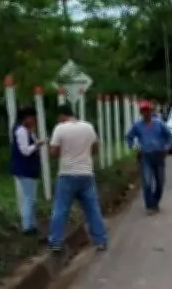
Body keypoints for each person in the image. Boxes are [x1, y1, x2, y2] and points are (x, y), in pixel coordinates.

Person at [47, 104, 108, 252]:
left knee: (61, 209)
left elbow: (53, 152)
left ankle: (56, 241)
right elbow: (95, 149)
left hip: (67, 174)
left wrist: (62, 151)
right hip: (86, 174)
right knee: (92, 209)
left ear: (62, 115)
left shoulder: (60, 129)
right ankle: (100, 240)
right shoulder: (88, 127)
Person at [126, 100, 172, 215]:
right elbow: (129, 138)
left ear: (151, 111)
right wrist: (134, 148)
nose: (145, 113)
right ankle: (150, 206)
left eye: (147, 110)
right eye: (143, 111)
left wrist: (167, 147)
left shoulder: (159, 124)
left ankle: (155, 202)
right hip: (145, 156)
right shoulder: (137, 125)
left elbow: (170, 137)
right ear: (141, 112)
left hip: (159, 155)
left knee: (160, 182)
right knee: (147, 182)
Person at [10, 106, 45, 235]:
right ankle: (27, 227)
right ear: (26, 117)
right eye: (32, 117)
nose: (34, 119)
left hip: (29, 168)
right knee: (29, 198)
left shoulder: (26, 130)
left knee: (31, 198)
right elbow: (25, 150)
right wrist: (37, 145)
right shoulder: (21, 131)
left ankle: (32, 224)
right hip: (25, 168)